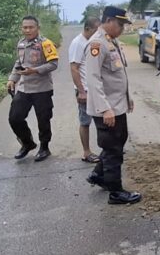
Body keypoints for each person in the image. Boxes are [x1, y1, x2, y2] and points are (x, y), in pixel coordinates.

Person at [84, 6, 141, 205]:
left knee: (117, 142)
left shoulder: (111, 41)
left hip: (118, 105)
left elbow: (117, 75)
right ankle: (115, 192)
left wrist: (128, 98)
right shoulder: (97, 44)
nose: (122, 29)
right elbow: (93, 79)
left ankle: (99, 175)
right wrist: (105, 108)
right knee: (113, 149)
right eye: (119, 24)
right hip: (107, 109)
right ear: (107, 21)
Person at [7, 15, 59, 162]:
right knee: (15, 118)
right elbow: (19, 62)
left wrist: (34, 70)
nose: (28, 30)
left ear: (38, 28)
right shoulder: (21, 44)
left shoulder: (46, 44)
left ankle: (44, 147)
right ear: (21, 28)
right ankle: (27, 143)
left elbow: (53, 64)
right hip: (24, 88)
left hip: (42, 89)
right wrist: (12, 79)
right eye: (25, 27)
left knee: (43, 119)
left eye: (31, 27)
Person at [68, 17, 101, 163]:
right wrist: (81, 91)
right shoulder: (77, 43)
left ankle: (106, 149)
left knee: (102, 121)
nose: (98, 33)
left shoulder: (93, 43)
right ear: (87, 29)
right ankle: (86, 152)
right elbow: (74, 68)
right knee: (85, 122)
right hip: (85, 91)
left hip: (96, 89)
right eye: (96, 30)